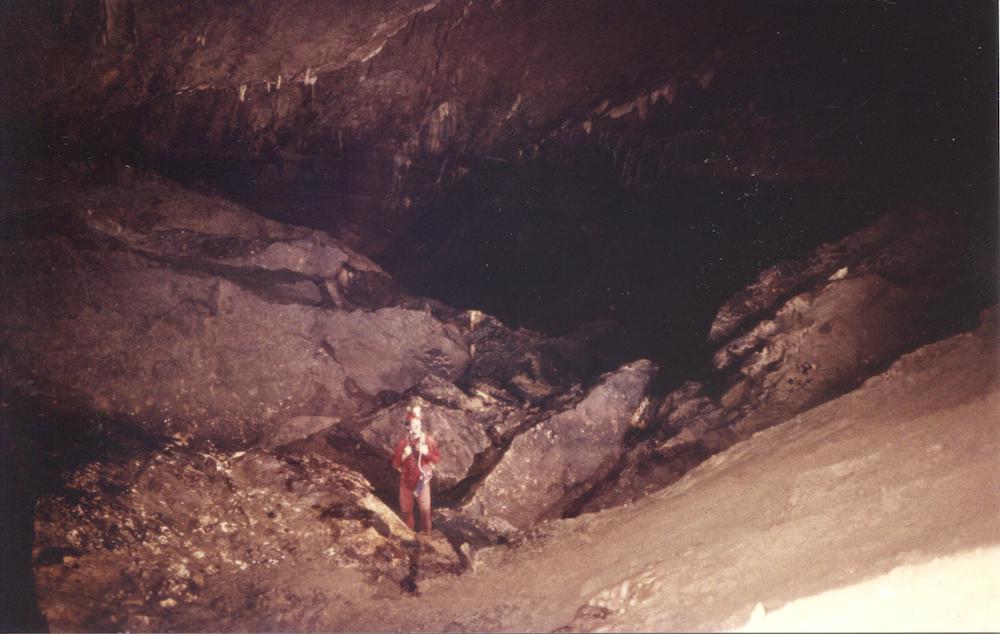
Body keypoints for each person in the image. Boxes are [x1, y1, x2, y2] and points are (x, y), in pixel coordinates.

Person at [391, 405, 441, 533]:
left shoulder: (428, 441)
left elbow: (437, 459)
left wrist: (426, 453)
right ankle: (409, 534)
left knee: (425, 511)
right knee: (406, 511)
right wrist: (404, 456)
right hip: (406, 481)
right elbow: (395, 464)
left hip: (422, 481)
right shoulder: (403, 443)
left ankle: (427, 534)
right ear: (408, 427)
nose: (417, 428)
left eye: (419, 425)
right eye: (414, 425)